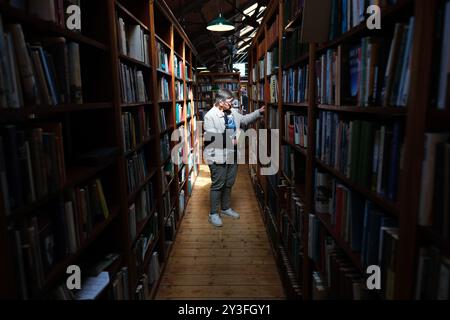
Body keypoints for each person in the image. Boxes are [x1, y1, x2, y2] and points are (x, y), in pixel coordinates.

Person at [203, 89, 265, 227]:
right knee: (218, 184)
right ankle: (213, 213)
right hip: (217, 156)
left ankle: (225, 208)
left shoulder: (232, 112)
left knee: (229, 183)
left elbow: (244, 119)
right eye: (229, 102)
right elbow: (211, 139)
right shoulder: (210, 116)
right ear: (220, 102)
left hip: (233, 154)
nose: (232, 104)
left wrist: (259, 112)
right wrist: (234, 141)